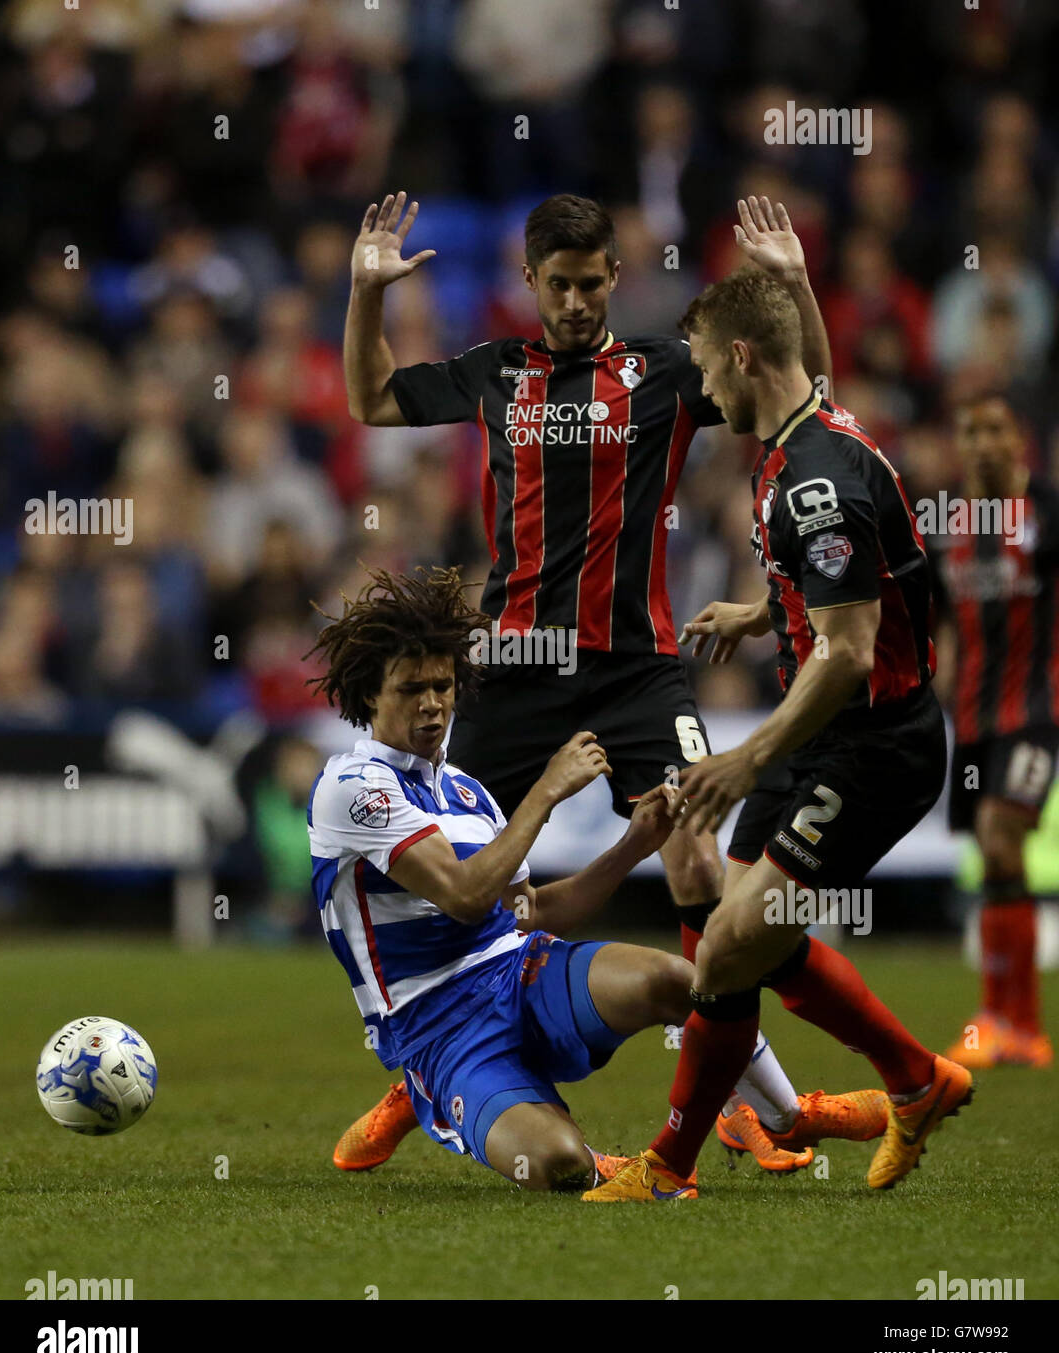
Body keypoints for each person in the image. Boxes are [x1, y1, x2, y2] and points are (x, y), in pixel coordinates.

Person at [335, 191, 887, 1172]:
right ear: (530, 282)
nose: (579, 301)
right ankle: (421, 1075)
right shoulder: (494, 372)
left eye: (593, 283)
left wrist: (795, 280)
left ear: (614, 277)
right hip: (512, 672)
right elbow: (370, 398)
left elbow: (809, 384)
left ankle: (747, 1108)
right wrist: (365, 294)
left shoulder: (664, 372)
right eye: (560, 284)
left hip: (638, 671)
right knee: (469, 893)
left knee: (700, 871)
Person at [589, 267, 973, 1202]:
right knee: (741, 931)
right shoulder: (805, 436)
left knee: (723, 951)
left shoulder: (816, 483)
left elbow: (848, 654)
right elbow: (845, 583)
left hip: (872, 748)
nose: (703, 389)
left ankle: (668, 1169)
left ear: (744, 357)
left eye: (709, 370)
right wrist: (766, 616)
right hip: (820, 738)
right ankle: (918, 1081)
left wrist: (747, 755)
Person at [306, 565, 690, 1191]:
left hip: (521, 973)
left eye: (444, 686)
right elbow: (464, 897)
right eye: (411, 689)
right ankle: (432, 1092)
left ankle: (732, 1126)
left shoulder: (467, 792)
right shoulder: (351, 789)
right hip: (438, 1026)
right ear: (370, 694)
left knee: (675, 981)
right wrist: (546, 790)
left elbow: (529, 914)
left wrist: (633, 846)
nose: (432, 704)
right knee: (558, 1165)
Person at [933, 392, 1057, 1068]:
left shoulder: (1047, 510)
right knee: (993, 858)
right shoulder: (950, 521)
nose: (979, 443)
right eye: (969, 430)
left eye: (993, 431)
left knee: (1003, 836)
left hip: (1038, 709)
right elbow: (936, 606)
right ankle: (1001, 1022)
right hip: (975, 718)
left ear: (1018, 442)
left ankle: (1021, 1025)